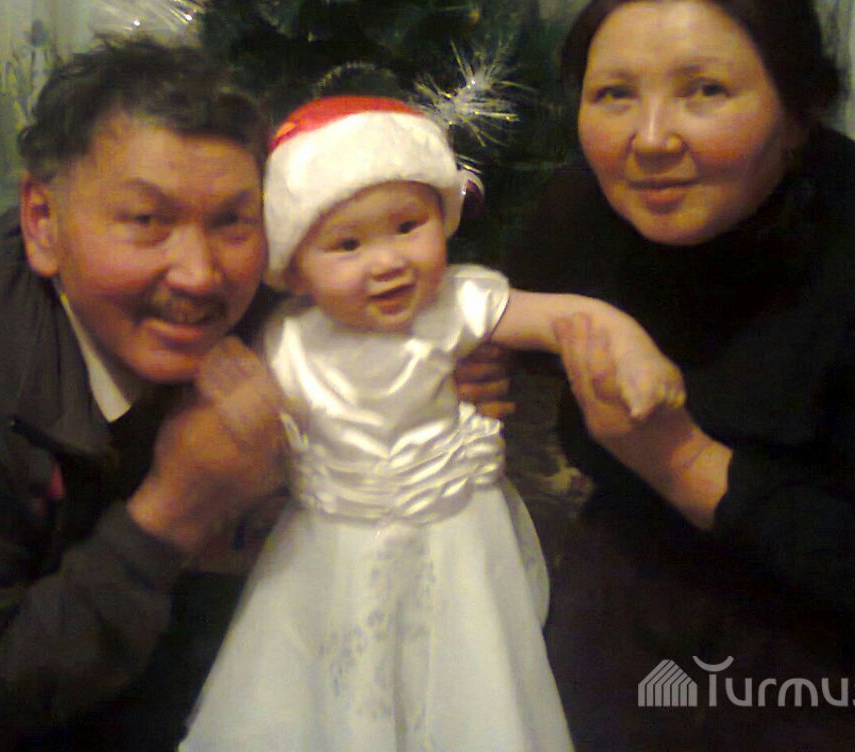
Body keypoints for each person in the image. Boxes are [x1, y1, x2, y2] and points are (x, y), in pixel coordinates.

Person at [0, 37, 510, 752]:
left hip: (105, 578)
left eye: (234, 221)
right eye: (146, 220)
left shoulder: (262, 274)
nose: (200, 274)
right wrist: (176, 507)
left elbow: (385, 290)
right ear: (42, 222)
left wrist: (430, 368)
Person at [507, 0, 855, 751]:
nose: (650, 139)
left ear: (799, 110)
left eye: (704, 91)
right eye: (615, 95)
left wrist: (678, 458)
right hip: (630, 579)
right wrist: (477, 358)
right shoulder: (580, 209)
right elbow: (506, 318)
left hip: (836, 645)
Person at [180, 95, 687, 752]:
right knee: (332, 696)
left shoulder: (459, 303)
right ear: (296, 270)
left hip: (459, 544)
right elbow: (247, 424)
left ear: (443, 219)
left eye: (407, 226)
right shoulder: (289, 342)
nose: (387, 260)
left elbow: (569, 318)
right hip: (331, 558)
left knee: (473, 691)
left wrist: (634, 350)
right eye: (347, 244)